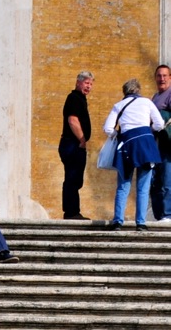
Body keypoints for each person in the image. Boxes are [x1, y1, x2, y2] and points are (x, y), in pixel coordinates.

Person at [104, 79, 164, 232]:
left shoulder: (118, 106)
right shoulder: (147, 102)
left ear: (125, 92)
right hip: (146, 145)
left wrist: (118, 134)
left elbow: (108, 128)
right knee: (143, 187)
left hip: (126, 146)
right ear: (138, 90)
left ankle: (118, 221)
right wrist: (148, 130)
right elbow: (159, 124)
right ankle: (141, 223)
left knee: (123, 186)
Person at [58, 71, 94, 221]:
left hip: (72, 144)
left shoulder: (80, 99)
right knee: (72, 179)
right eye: (86, 83)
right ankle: (71, 213)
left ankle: (72, 211)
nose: (89, 86)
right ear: (78, 82)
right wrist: (82, 139)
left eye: (91, 84)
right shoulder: (74, 98)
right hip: (72, 144)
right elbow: (72, 120)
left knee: (74, 179)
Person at [150, 65, 171, 224]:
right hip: (155, 145)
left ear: (170, 77)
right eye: (159, 76)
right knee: (155, 182)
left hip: (167, 144)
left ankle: (168, 214)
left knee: (167, 180)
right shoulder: (155, 97)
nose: (161, 79)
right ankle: (159, 215)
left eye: (164, 76)